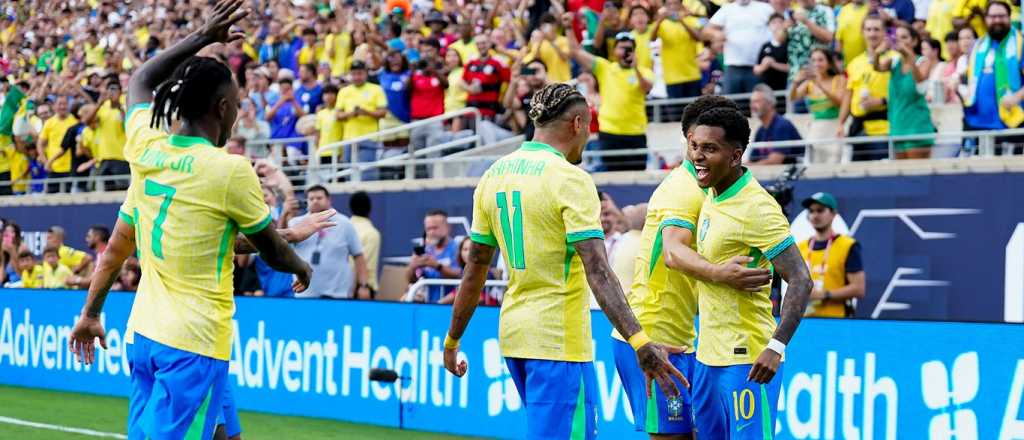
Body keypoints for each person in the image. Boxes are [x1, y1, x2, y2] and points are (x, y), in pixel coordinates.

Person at [68, 4, 313, 440]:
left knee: (224, 434)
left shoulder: (145, 149)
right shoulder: (228, 170)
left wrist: (202, 35)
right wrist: (301, 265)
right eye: (237, 104)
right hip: (194, 344)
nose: (238, 114)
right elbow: (272, 251)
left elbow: (142, 79)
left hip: (144, 335)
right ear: (222, 107)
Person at [443, 83, 686, 440]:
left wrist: (452, 341)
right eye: (589, 126)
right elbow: (598, 271)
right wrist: (640, 342)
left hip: (515, 337)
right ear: (577, 124)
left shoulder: (494, 174)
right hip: (558, 343)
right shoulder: (570, 178)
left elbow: (475, 268)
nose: (588, 136)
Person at [613, 95, 773, 439]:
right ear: (691, 140)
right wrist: (721, 273)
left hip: (682, 337)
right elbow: (673, 251)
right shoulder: (686, 189)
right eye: (701, 143)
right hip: (655, 334)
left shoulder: (708, 189)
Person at [688, 106, 812, 438]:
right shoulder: (711, 194)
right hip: (707, 355)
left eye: (710, 149)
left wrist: (777, 346)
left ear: (735, 155)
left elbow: (801, 278)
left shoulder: (757, 207)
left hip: (747, 359)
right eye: (695, 146)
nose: (698, 156)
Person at [566, 15, 653, 171]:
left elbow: (646, 87)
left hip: (636, 134)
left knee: (638, 179)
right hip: (609, 133)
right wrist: (567, 27)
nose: (625, 52)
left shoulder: (644, 71)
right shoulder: (604, 67)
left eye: (629, 49)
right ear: (614, 51)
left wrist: (635, 68)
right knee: (612, 179)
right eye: (621, 48)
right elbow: (575, 52)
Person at [962, 1, 1024, 155]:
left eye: (1001, 16)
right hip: (978, 123)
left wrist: (1017, 96)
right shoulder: (979, 45)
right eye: (993, 16)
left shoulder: (1020, 43)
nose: (997, 20)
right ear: (986, 19)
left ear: (1009, 17)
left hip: (1011, 122)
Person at [290, 185, 371, 300]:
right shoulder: (295, 223)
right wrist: (284, 214)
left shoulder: (344, 223)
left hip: (337, 293)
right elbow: (280, 247)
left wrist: (363, 285)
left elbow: (359, 256)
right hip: (305, 293)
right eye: (311, 199)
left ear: (329, 200)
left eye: (319, 198)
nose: (315, 201)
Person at [872, 23, 936, 159]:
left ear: (914, 41)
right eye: (897, 38)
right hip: (897, 126)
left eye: (904, 37)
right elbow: (876, 67)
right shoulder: (894, 61)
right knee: (901, 177)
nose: (900, 41)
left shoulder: (923, 61)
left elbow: (920, 82)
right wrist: (878, 51)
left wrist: (908, 55)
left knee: (916, 176)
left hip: (917, 127)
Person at [798, 192, 866, 318]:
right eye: (811, 211)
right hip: (802, 321)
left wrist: (824, 294)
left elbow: (859, 288)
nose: (815, 215)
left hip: (836, 321)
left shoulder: (848, 245)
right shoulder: (800, 247)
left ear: (833, 214)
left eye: (820, 210)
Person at [837, 16, 893, 161]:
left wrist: (881, 101)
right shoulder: (854, 63)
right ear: (862, 32)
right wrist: (841, 123)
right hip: (859, 129)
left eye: (876, 29)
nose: (872, 34)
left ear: (884, 33)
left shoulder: (894, 58)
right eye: (868, 29)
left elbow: (904, 93)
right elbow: (848, 96)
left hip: (884, 129)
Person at [704, 0, 775, 94]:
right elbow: (707, 31)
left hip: (758, 67)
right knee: (731, 104)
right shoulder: (727, 9)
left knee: (758, 103)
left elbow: (779, 25)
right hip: (733, 67)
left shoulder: (766, 8)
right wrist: (718, 33)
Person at [791, 48, 846, 163]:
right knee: (814, 166)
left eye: (821, 60)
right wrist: (795, 82)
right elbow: (793, 98)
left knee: (834, 164)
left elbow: (840, 102)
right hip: (816, 129)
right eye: (814, 60)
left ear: (829, 63)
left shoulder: (839, 79)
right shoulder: (809, 83)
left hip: (834, 127)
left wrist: (820, 85)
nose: (817, 64)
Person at [336, 61, 387, 180]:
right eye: (354, 74)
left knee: (367, 174)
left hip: (369, 137)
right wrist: (351, 113)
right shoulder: (344, 91)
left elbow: (383, 112)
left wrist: (366, 112)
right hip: (348, 138)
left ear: (366, 73)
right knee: (349, 174)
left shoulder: (376, 89)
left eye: (360, 73)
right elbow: (338, 115)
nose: (357, 77)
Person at [407, 209, 463, 303]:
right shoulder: (425, 250)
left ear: (448, 227)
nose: (431, 232)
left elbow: (460, 275)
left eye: (435, 228)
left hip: (452, 306)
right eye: (428, 229)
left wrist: (437, 265)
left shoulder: (458, 249)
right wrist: (412, 267)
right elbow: (411, 279)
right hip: (427, 306)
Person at [750, 84, 803, 164]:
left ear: (770, 104)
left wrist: (749, 167)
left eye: (757, 101)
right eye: (751, 102)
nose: (752, 106)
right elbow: (753, 159)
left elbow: (775, 160)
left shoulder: (782, 125)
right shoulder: (760, 131)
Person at [462, 33, 511, 121]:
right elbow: (461, 81)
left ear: (489, 43)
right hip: (471, 111)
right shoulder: (471, 62)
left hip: (490, 111)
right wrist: (469, 88)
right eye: (478, 44)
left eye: (483, 43)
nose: (481, 46)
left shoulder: (499, 62)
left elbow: (509, 82)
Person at [787, 0, 836, 84]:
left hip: (818, 74)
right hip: (795, 75)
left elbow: (829, 37)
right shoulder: (792, 13)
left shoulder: (825, 10)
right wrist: (785, 28)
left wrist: (806, 22)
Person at [37, 95, 78, 193]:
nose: (62, 107)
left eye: (64, 104)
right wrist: (45, 161)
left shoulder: (74, 121)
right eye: (60, 104)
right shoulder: (49, 123)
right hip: (53, 168)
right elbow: (40, 144)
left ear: (68, 105)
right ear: (54, 106)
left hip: (70, 168)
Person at [94, 78, 129, 191]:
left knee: (122, 191)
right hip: (104, 157)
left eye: (114, 89)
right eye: (109, 89)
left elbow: (128, 126)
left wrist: (120, 108)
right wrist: (98, 104)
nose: (111, 92)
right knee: (105, 192)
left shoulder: (125, 107)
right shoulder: (102, 108)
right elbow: (87, 121)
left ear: (120, 92)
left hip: (121, 157)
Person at [349, 191, 380, 294]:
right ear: (370, 208)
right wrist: (363, 287)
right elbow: (363, 264)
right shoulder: (372, 234)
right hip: (362, 291)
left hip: (343, 288)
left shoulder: (344, 229)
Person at [754, 14, 790, 92]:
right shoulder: (765, 46)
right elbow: (756, 69)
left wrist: (773, 64)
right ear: (769, 26)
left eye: (780, 22)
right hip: (766, 89)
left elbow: (792, 68)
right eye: (774, 22)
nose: (777, 25)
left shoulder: (789, 44)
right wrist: (764, 66)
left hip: (784, 87)